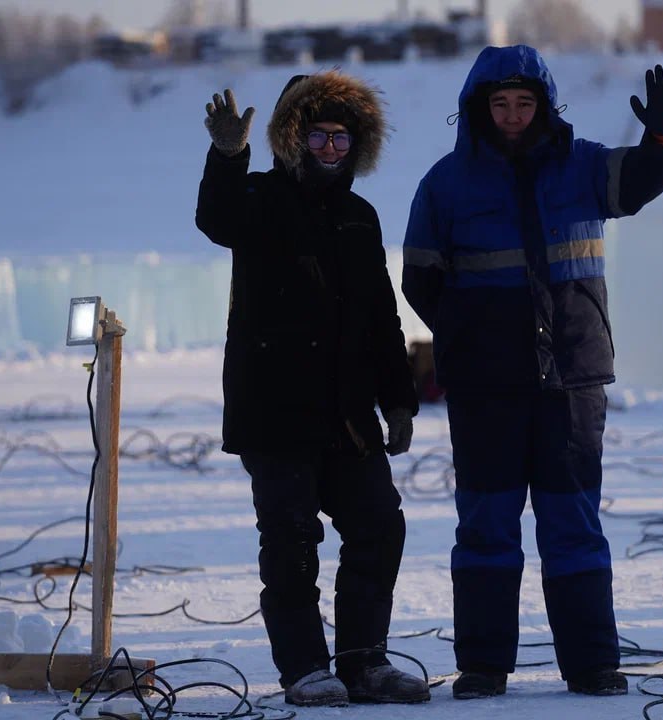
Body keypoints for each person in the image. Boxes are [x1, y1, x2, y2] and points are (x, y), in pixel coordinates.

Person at [401, 46, 663, 699]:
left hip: (572, 378)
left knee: (573, 522)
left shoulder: (584, 164)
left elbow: (641, 178)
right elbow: (420, 278)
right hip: (485, 388)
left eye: (523, 103)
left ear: (542, 106)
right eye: (499, 104)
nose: (511, 115)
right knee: (486, 524)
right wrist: (473, 337)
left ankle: (591, 663)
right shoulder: (444, 183)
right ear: (479, 108)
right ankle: (483, 664)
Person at [195, 72, 429, 707]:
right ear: (293, 138)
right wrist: (226, 155)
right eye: (319, 135)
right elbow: (215, 220)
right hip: (275, 413)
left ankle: (363, 664)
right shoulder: (259, 199)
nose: (331, 148)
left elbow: (382, 317)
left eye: (342, 138)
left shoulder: (359, 217)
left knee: (380, 526)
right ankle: (304, 668)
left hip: (347, 413)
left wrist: (399, 399)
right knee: (293, 540)